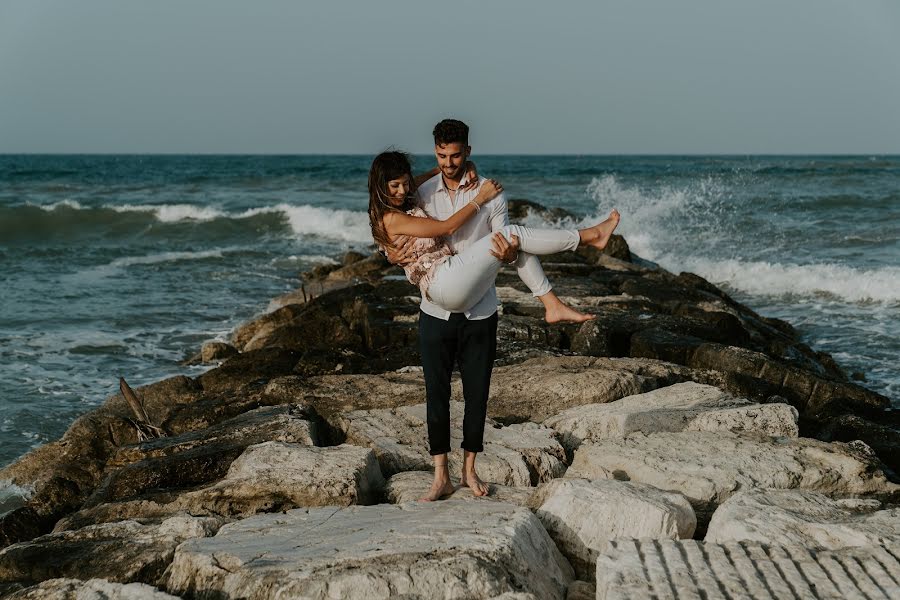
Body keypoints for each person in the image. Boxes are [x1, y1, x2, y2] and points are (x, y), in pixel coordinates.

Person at [369, 120, 620, 501]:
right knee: (435, 395)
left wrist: (507, 248)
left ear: (467, 151)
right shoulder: (422, 194)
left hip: (478, 306)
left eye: (454, 156)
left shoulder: (486, 194)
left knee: (477, 394)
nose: (448, 163)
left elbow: (509, 249)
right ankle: (440, 476)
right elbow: (413, 223)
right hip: (439, 301)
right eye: (441, 156)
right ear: (435, 151)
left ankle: (469, 472)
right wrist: (387, 251)